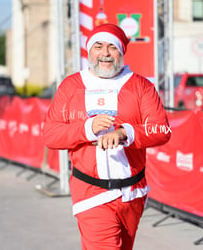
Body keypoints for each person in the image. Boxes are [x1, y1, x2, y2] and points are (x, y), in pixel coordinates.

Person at [42, 23, 171, 250]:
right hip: (91, 191)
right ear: (89, 51)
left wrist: (125, 133)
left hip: (133, 192)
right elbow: (51, 134)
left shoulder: (141, 86)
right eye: (98, 46)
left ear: (121, 52)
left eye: (112, 47)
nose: (105, 54)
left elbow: (161, 130)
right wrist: (87, 128)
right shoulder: (71, 86)